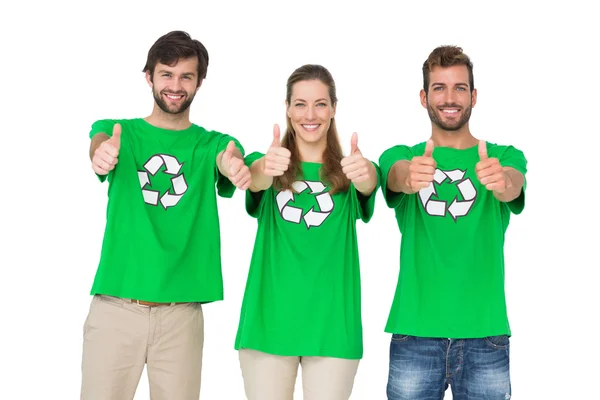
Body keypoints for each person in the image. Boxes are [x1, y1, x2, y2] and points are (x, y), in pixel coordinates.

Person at [81, 30, 251, 400]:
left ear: (199, 82)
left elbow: (229, 156)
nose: (176, 85)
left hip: (181, 315)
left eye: (186, 76)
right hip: (116, 308)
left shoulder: (211, 144)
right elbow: (99, 144)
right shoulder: (118, 133)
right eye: (166, 74)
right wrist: (102, 154)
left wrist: (234, 166)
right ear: (149, 77)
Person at [379, 45, 527, 400]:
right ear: (423, 96)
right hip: (414, 332)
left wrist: (503, 181)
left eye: (460, 87)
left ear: (473, 96)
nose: (450, 97)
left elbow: (512, 184)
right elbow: (396, 176)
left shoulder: (503, 156)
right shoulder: (402, 156)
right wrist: (408, 178)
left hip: (485, 335)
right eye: (439, 87)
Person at [234, 64, 380, 400]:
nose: (309, 114)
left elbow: (370, 184)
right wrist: (264, 168)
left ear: (333, 109)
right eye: (300, 103)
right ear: (287, 109)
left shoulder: (351, 172)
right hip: (267, 326)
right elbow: (255, 177)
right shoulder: (268, 165)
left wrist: (366, 172)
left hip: (333, 329)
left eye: (320, 103)